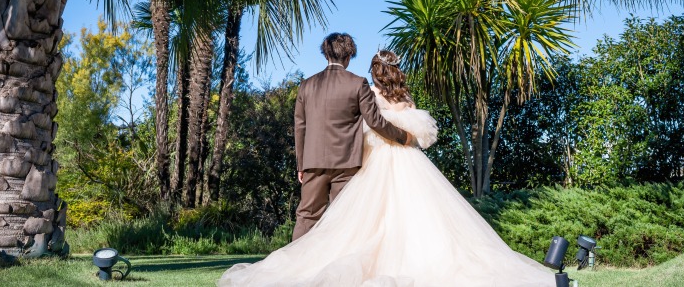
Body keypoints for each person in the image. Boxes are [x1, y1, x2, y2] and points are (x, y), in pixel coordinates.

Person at [219, 49, 554, 286]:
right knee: (415, 217)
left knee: (358, 222)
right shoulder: (405, 99)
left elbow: (369, 126)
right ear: (396, 72)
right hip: (409, 164)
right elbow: (418, 133)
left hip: (375, 165)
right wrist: (405, 138)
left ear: (375, 71)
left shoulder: (367, 93)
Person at [292, 33, 413, 240]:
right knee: (344, 219)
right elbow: (375, 121)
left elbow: (300, 126)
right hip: (346, 164)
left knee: (307, 217)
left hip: (313, 162)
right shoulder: (358, 83)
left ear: (326, 55)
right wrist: (403, 137)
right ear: (349, 57)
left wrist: (301, 164)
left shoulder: (306, 85)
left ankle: (294, 259)